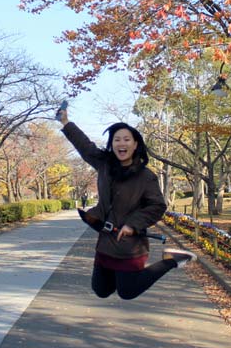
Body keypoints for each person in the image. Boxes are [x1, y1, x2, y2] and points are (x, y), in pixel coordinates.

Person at [56, 104, 196, 300]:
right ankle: (123, 278)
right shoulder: (104, 164)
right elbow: (85, 146)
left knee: (127, 292)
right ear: (112, 144)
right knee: (101, 290)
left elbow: (157, 206)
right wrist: (65, 122)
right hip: (106, 240)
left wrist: (133, 224)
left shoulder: (146, 177)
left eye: (126, 139)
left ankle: (171, 261)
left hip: (129, 244)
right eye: (117, 139)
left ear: (135, 144)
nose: (121, 143)